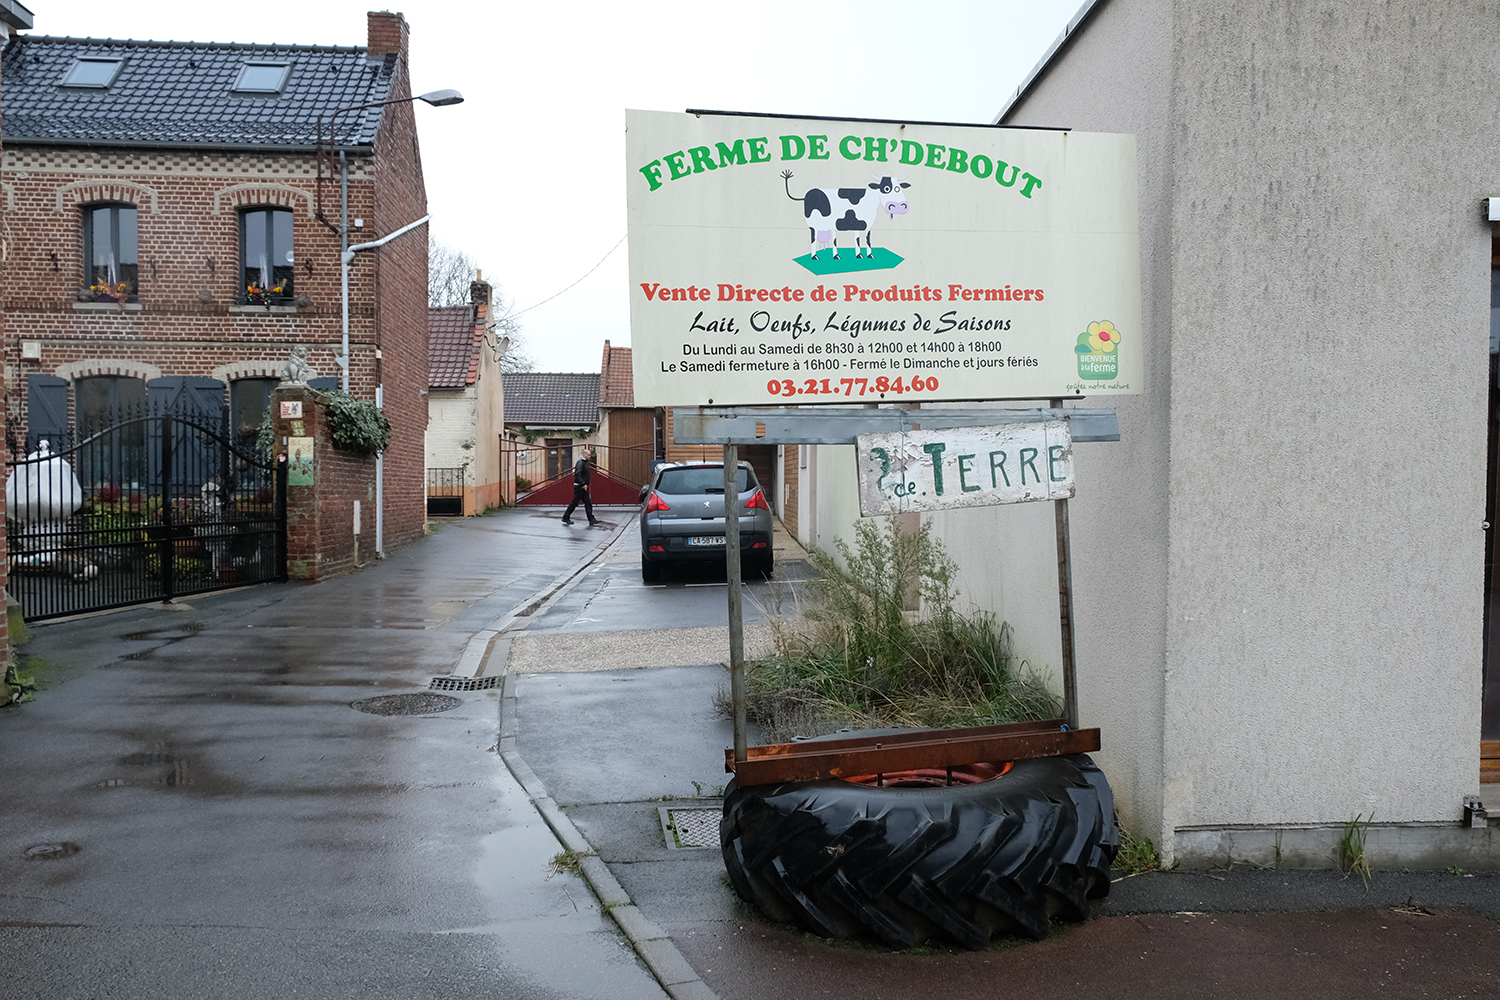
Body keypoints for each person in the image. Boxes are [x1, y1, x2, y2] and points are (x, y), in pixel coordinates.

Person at [561, 446, 598, 526]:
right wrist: (583, 484)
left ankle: (591, 519)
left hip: (581, 486)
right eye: (588, 455)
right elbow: (577, 474)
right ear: (584, 454)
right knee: (576, 502)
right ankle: (566, 517)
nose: (589, 456)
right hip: (580, 486)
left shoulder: (584, 462)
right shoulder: (580, 463)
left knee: (587, 502)